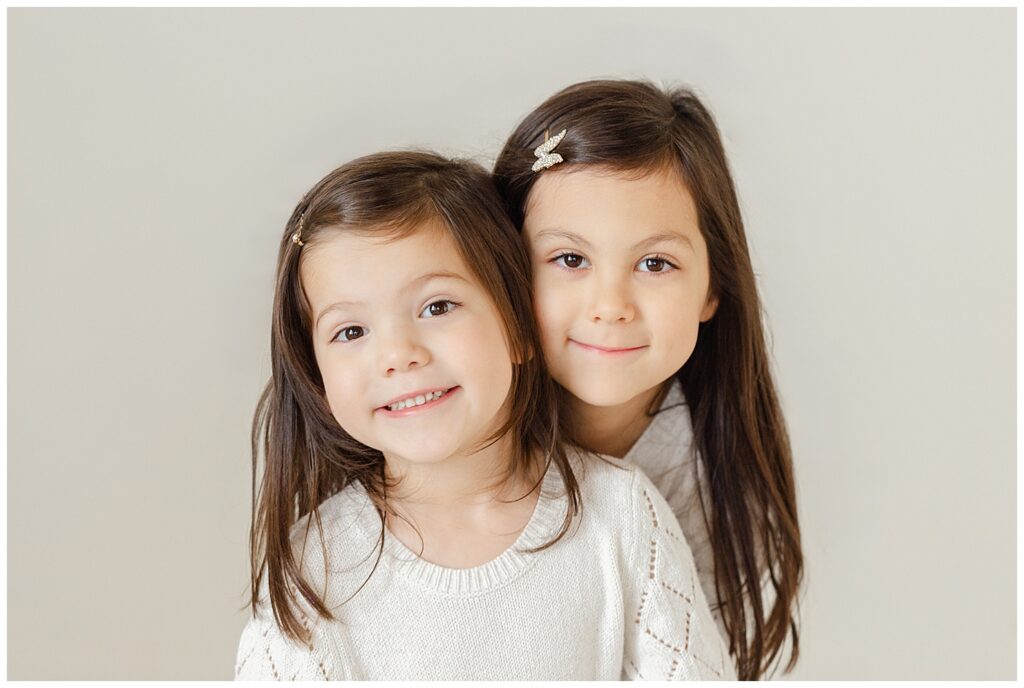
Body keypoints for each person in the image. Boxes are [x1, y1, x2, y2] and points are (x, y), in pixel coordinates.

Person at [234, 151, 734, 680]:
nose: (397, 354)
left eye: (437, 307)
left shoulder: (623, 516)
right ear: (317, 376)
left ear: (518, 326)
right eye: (351, 332)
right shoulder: (315, 565)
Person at [493, 79, 803, 679]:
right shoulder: (446, 426)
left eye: (654, 263)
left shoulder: (715, 487)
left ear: (712, 287)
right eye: (570, 259)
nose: (610, 305)